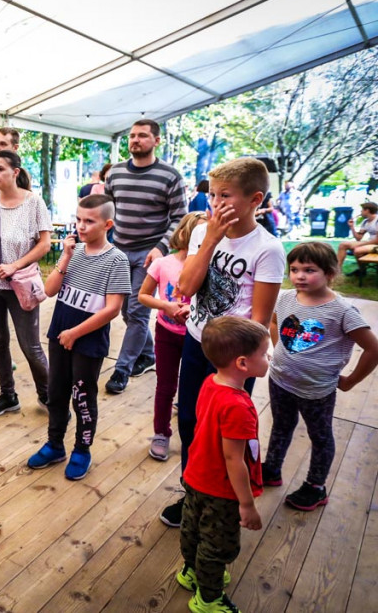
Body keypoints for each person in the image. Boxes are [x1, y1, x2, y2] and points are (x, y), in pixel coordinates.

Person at [160, 157, 285, 529]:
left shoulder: (268, 249)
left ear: (254, 199)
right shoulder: (203, 232)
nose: (215, 204)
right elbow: (185, 287)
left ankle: (226, 501)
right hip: (197, 342)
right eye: (212, 195)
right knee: (188, 420)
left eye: (225, 196)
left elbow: (260, 320)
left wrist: (240, 363)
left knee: (225, 434)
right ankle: (191, 493)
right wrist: (211, 239)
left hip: (233, 359)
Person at [262, 243, 378, 511]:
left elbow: (373, 349)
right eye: (294, 269)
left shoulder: (343, 311)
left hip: (316, 391)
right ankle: (272, 469)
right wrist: (280, 350)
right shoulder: (286, 298)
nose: (300, 276)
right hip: (280, 380)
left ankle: (316, 486)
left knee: (320, 436)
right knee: (281, 425)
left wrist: (350, 381)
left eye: (309, 270)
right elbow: (274, 322)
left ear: (330, 273)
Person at [27, 194, 129, 480]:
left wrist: (77, 333)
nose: (81, 226)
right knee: (56, 392)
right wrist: (66, 256)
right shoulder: (75, 252)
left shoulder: (116, 260)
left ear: (107, 224)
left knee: (82, 396)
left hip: (88, 341)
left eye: (89, 221)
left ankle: (82, 449)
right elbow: (49, 290)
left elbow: (112, 309)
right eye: (79, 220)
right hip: (60, 333)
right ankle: (55, 444)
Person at [177, 316, 269, 613]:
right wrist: (246, 504)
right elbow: (234, 459)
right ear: (242, 363)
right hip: (221, 488)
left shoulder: (210, 382)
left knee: (192, 528)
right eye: (265, 354)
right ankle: (208, 598)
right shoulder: (238, 406)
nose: (269, 359)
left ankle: (191, 572)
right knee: (217, 547)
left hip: (195, 475)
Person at [103, 119, 188, 395]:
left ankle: (121, 370)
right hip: (118, 250)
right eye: (131, 136)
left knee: (138, 313)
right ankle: (148, 354)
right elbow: (107, 211)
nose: (134, 140)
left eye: (141, 136)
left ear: (156, 141)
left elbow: (180, 219)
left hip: (149, 253)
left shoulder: (170, 176)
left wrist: (161, 248)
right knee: (126, 311)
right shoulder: (114, 173)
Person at [0, 149, 52, 417]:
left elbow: (45, 244)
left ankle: (49, 396)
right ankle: (8, 395)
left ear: (15, 172)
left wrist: (15, 265)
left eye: (0, 169)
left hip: (20, 287)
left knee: (30, 345)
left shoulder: (34, 203)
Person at [138, 212, 207, 461]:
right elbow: (143, 296)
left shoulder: (208, 266)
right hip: (166, 333)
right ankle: (161, 432)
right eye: (199, 231)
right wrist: (165, 306)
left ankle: (196, 435)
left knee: (196, 389)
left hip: (197, 336)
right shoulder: (163, 264)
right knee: (166, 385)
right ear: (185, 232)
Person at [336, 201, 378, 272]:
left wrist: (359, 244)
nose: (361, 212)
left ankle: (362, 270)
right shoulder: (365, 222)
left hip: (376, 244)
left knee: (357, 250)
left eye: (362, 210)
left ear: (367, 210)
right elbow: (358, 238)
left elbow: (377, 241)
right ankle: (337, 270)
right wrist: (352, 227)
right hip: (371, 243)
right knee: (343, 245)